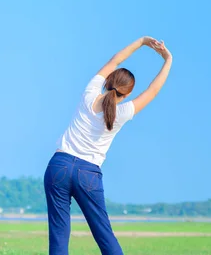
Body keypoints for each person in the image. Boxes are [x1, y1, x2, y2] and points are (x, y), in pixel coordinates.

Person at [43, 36, 172, 255]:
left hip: (59, 165)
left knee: (59, 235)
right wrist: (167, 59)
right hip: (88, 174)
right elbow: (153, 91)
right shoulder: (122, 113)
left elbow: (115, 60)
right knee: (104, 235)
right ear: (128, 93)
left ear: (106, 81)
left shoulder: (89, 93)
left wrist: (141, 42)